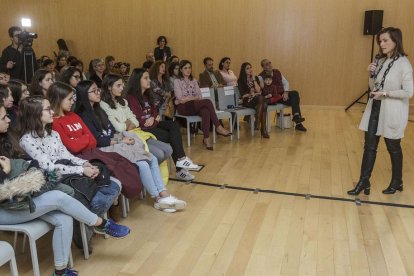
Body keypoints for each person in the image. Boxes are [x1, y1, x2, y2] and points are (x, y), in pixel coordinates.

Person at [0, 101, 130, 276]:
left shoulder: (9, 139)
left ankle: (60, 272)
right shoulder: (25, 139)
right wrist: (6, 172)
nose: (9, 119)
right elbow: (36, 168)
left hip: (21, 197)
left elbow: (29, 165)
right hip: (6, 207)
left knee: (64, 219)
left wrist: (84, 164)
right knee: (58, 196)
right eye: (3, 117)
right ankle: (100, 223)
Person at [76, 79, 187, 212]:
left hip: (115, 142)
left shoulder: (99, 109)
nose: (98, 92)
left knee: (150, 157)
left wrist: (122, 138)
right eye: (93, 91)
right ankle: (157, 199)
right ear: (84, 94)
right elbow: (97, 140)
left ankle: (163, 193)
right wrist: (120, 141)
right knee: (143, 163)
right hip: (104, 149)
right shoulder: (82, 116)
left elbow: (112, 131)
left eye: (98, 89)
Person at [348, 27, 413, 196]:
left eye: (385, 40)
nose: (381, 44)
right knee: (369, 146)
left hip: (392, 111)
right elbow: (373, 88)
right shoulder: (382, 61)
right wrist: (371, 75)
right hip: (375, 109)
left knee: (393, 147)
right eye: (380, 41)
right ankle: (364, 181)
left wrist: (386, 93)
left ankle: (397, 180)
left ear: (395, 41)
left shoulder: (404, 64)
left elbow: (408, 92)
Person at [125, 68, 198, 181]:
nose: (149, 80)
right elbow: (139, 121)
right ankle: (180, 169)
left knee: (174, 125)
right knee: (173, 137)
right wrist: (154, 119)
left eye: (148, 77)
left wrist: (154, 119)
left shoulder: (147, 94)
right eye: (146, 78)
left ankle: (182, 160)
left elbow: (155, 111)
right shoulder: (131, 98)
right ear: (137, 80)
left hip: (152, 124)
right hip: (142, 130)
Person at [99, 73, 173, 163]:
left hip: (136, 132)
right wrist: (128, 123)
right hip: (122, 137)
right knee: (159, 154)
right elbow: (118, 128)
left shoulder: (122, 101)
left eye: (122, 85)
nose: (122, 88)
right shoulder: (103, 104)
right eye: (118, 86)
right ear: (109, 87)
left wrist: (126, 123)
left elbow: (136, 121)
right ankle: (146, 171)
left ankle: (150, 170)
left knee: (168, 149)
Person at [174, 60, 231, 150]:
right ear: (181, 69)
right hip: (183, 108)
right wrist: (193, 97)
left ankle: (206, 138)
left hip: (193, 106)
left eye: (189, 68)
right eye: (185, 68)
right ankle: (218, 127)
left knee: (205, 111)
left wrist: (189, 98)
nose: (188, 70)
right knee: (207, 102)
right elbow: (180, 99)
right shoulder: (177, 81)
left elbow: (200, 96)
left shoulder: (193, 80)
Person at [259, 59, 307, 131]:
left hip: (282, 94)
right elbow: (263, 90)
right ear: (263, 67)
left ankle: (296, 116)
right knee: (295, 100)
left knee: (295, 93)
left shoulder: (277, 71)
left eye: (270, 63)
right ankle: (298, 123)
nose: (269, 65)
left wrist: (286, 92)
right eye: (266, 64)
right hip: (273, 97)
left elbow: (285, 82)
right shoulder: (261, 76)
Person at [237, 62, 269, 138]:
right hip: (247, 100)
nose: (250, 69)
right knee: (262, 101)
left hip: (257, 99)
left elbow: (258, 90)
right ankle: (261, 128)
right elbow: (242, 95)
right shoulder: (241, 80)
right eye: (247, 68)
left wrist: (254, 79)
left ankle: (259, 125)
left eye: (250, 67)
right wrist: (250, 94)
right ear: (243, 70)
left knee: (263, 103)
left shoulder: (256, 78)